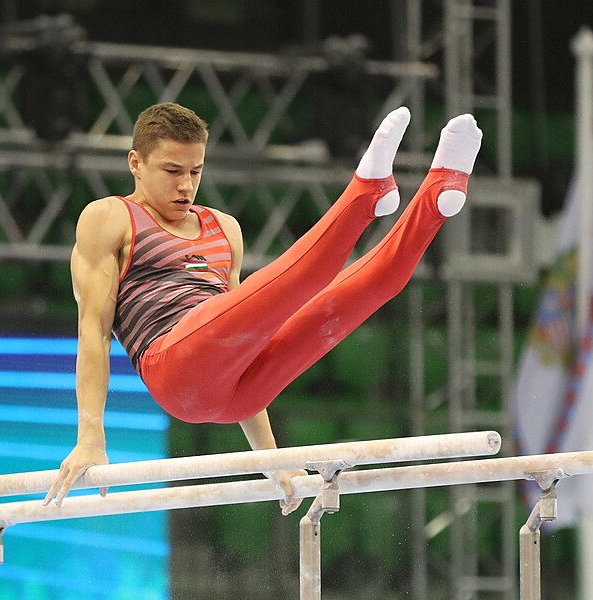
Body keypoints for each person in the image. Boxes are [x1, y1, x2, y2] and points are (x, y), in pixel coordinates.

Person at [45, 102, 483, 514]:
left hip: (238, 389)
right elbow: (94, 330)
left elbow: (246, 334)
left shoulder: (223, 228)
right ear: (135, 164)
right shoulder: (109, 217)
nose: (185, 185)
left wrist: (272, 459)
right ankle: (364, 194)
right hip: (175, 368)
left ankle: (436, 195)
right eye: (172, 170)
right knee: (290, 284)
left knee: (361, 293)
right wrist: (90, 435)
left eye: (196, 171)